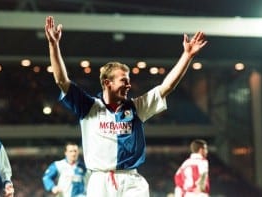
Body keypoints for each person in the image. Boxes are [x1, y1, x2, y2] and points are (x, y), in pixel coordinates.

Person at [44, 15, 207, 197]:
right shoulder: (89, 106)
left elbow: (166, 87)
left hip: (132, 181)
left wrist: (187, 55)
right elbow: (61, 80)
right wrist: (53, 45)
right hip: (100, 181)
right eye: (124, 81)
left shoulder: (137, 107)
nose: (129, 85)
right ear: (107, 83)